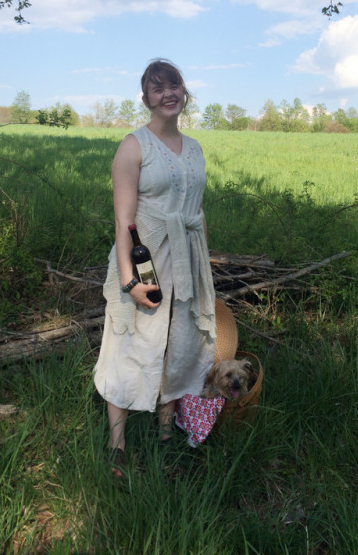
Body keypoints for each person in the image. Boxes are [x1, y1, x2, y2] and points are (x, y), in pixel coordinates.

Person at [93, 59, 216, 478]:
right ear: (145, 98)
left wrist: (202, 268)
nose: (168, 93)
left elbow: (197, 211)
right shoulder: (134, 145)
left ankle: (166, 432)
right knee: (130, 343)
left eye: (174, 85)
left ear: (184, 92)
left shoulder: (196, 148)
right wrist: (129, 280)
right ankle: (118, 444)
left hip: (187, 259)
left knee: (177, 343)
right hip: (146, 258)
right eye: (157, 88)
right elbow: (123, 220)